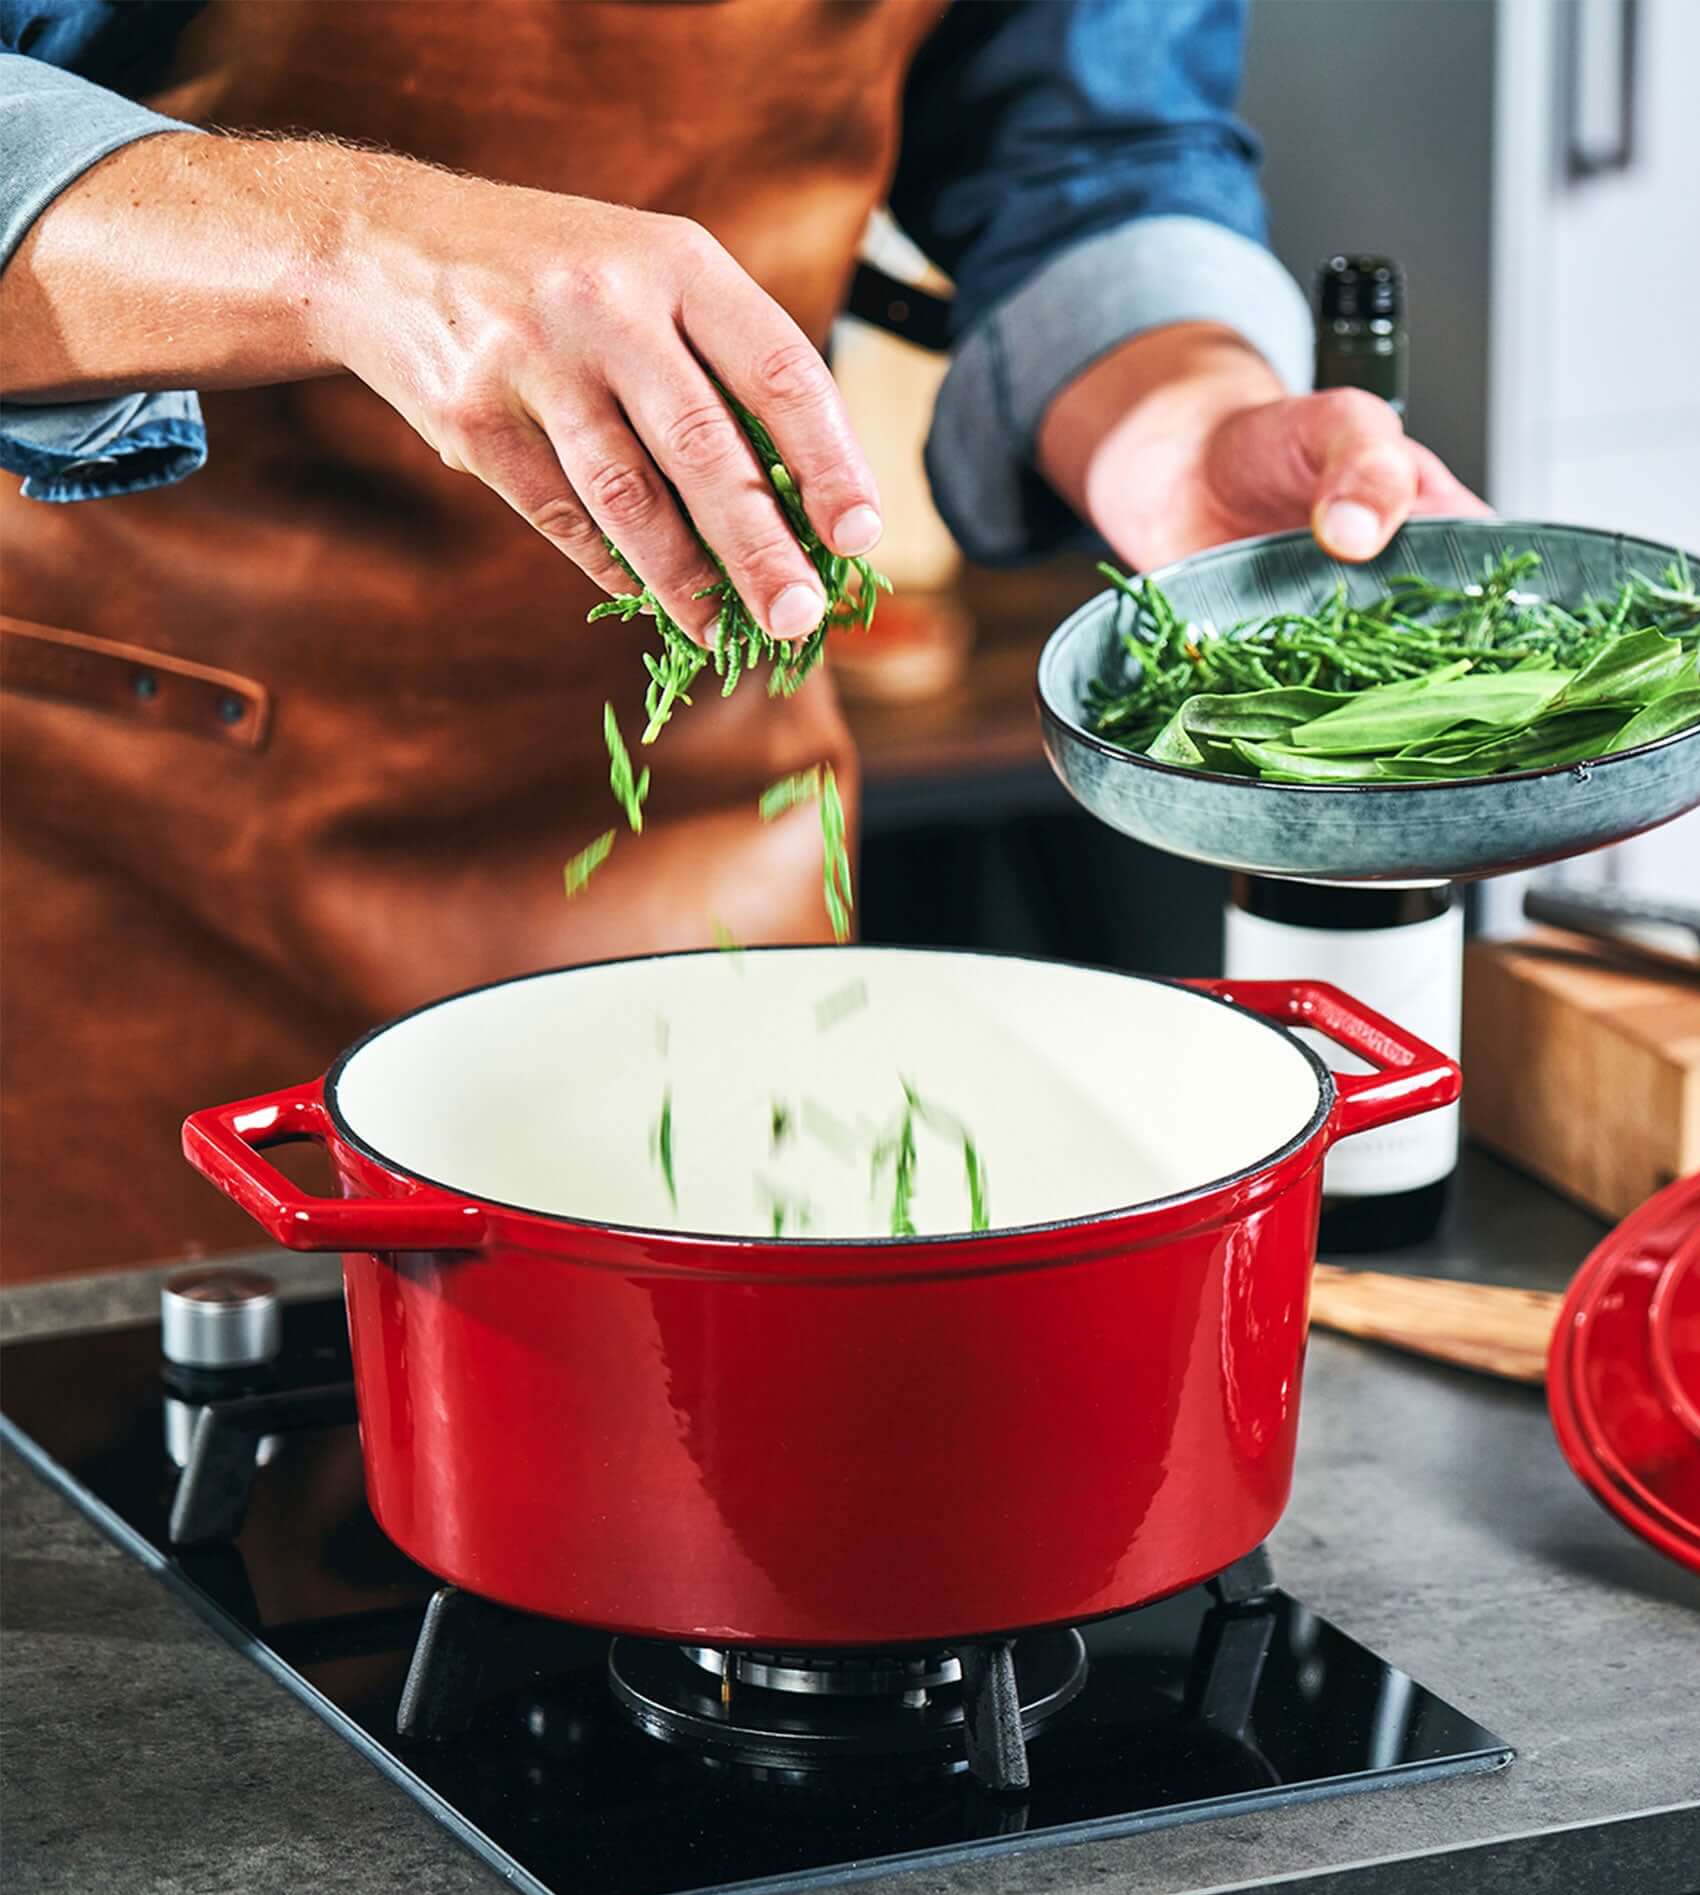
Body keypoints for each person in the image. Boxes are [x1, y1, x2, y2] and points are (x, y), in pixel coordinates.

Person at [0, 0, 1482, 1281]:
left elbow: (1097, 145)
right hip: (110, 853)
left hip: (702, 832)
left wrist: (1177, 420)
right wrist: (352, 245)